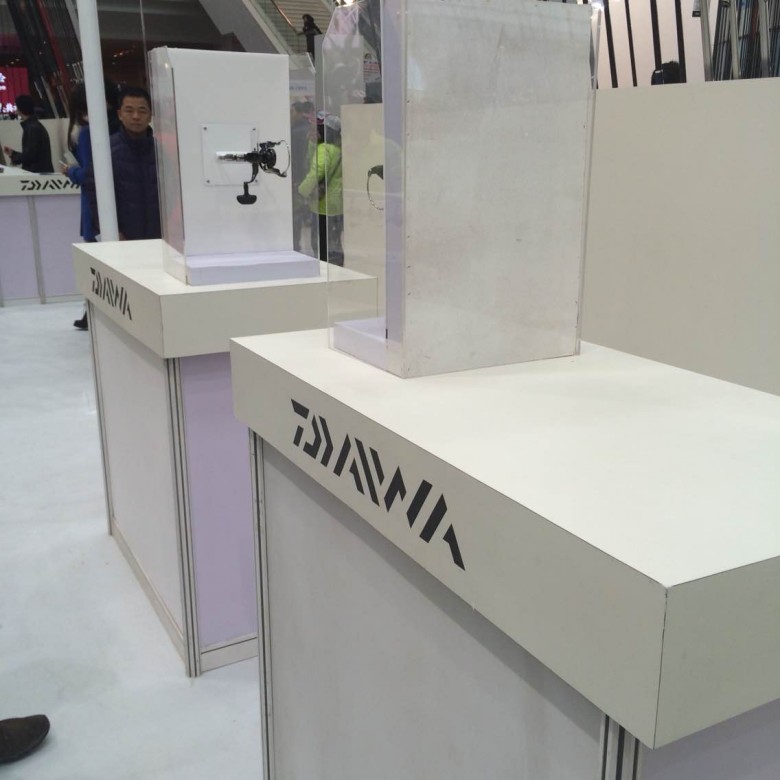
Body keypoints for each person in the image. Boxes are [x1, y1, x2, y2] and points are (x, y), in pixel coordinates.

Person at [62, 80, 120, 330]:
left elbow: (90, 175)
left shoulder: (88, 133)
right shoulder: (119, 128)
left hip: (96, 209)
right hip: (120, 208)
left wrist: (70, 171)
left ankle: (95, 316)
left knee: (97, 266)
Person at [110, 86, 161, 241]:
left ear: (150, 116)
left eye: (142, 111)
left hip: (158, 237)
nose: (136, 116)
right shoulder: (107, 151)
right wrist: (114, 232)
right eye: (129, 110)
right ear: (120, 114)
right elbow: (95, 196)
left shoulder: (161, 152)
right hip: (121, 238)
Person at [298, 112, 343, 265]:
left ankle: (325, 270)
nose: (314, 131)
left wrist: (302, 191)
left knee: (320, 243)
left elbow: (316, 172)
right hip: (337, 203)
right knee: (334, 241)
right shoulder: (338, 148)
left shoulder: (324, 149)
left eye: (317, 128)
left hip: (323, 204)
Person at [2, 95, 54, 173]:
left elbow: (29, 156)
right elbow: (31, 153)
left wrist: (14, 156)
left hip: (36, 174)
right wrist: (13, 153)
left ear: (20, 109)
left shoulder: (32, 128)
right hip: (41, 173)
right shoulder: (35, 126)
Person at [290, 100, 314, 252]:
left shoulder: (296, 133)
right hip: (306, 177)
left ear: (299, 113)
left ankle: (295, 244)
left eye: (292, 112)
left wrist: (297, 179)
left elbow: (297, 158)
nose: (290, 115)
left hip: (299, 178)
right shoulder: (306, 129)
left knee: (296, 213)